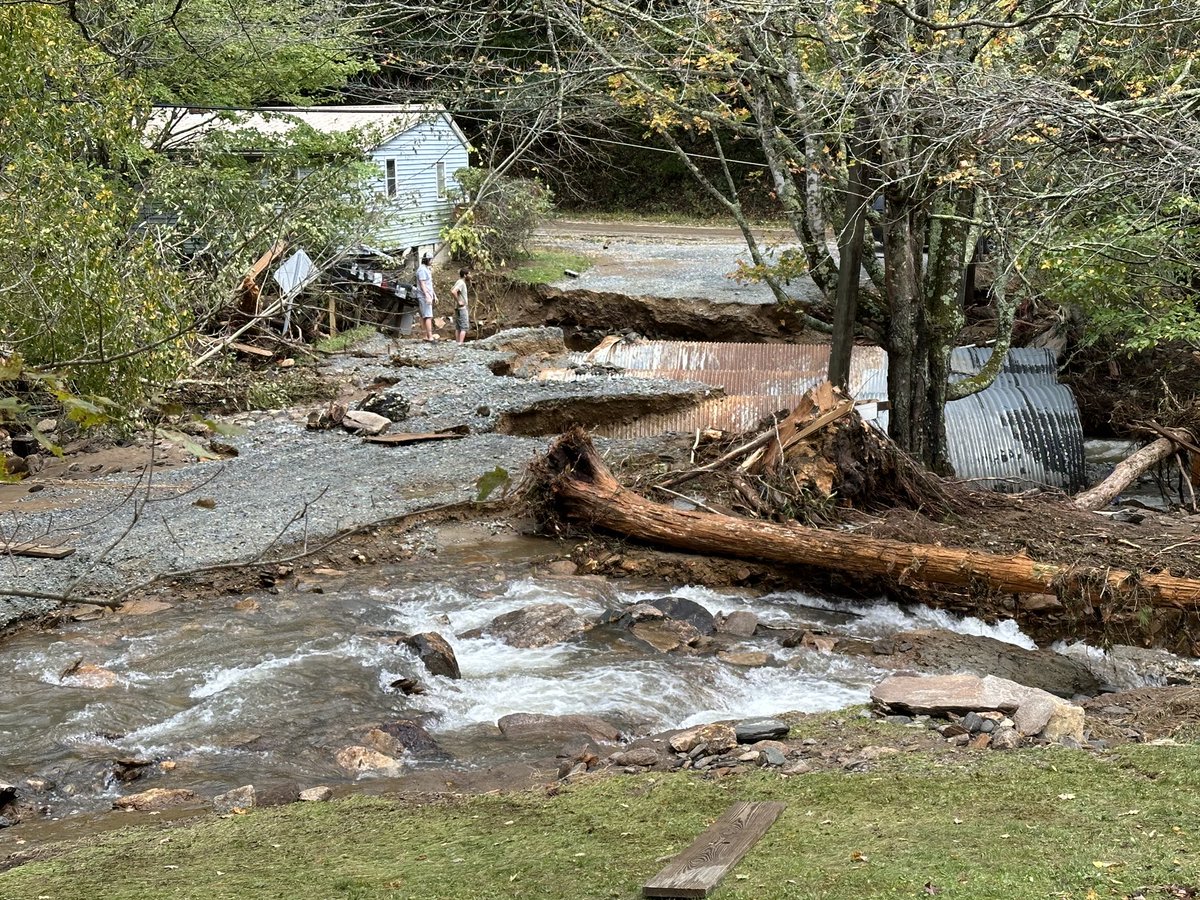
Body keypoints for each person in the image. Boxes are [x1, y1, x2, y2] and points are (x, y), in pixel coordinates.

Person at [415, 252, 437, 341]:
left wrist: (434, 295)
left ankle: (425, 336)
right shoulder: (422, 270)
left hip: (428, 294)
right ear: (427, 260)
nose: (432, 261)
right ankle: (430, 337)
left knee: (425, 315)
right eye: (431, 259)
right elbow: (423, 284)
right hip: (424, 296)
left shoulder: (426, 269)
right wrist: (427, 295)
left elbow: (429, 284)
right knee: (428, 316)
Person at [450, 268, 471, 344]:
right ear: (465, 275)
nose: (470, 276)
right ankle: (460, 343)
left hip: (458, 308)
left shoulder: (458, 282)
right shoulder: (461, 283)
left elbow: (451, 290)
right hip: (462, 308)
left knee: (458, 327)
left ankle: (457, 342)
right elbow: (453, 291)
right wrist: (458, 301)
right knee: (464, 327)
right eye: (469, 274)